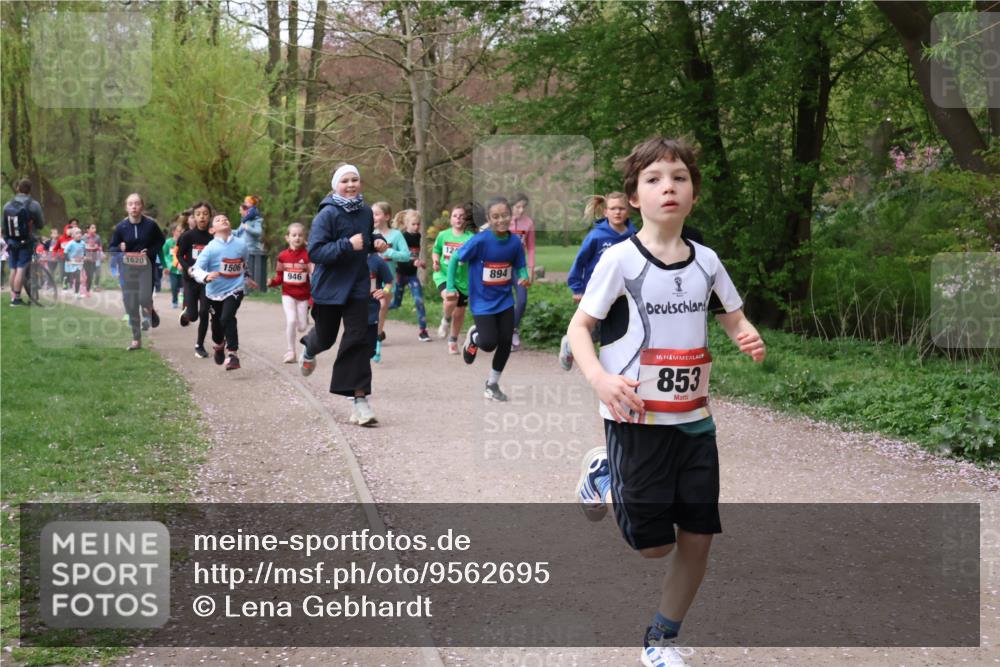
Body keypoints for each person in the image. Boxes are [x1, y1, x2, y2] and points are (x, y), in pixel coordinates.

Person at [567, 137, 766, 667]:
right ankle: (606, 472)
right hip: (634, 418)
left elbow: (732, 316)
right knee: (653, 547)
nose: (668, 187)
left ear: (693, 193)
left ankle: (661, 639)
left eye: (679, 177)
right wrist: (599, 380)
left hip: (695, 422)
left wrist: (747, 335)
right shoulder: (619, 260)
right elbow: (581, 327)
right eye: (654, 179)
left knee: (698, 539)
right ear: (634, 197)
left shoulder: (707, 261)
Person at [298, 164, 387, 426]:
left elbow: (367, 238)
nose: (351, 185)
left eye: (355, 180)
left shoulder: (365, 211)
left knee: (358, 339)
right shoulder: (326, 214)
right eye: (345, 181)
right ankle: (310, 347)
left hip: (358, 285)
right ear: (335, 185)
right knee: (325, 339)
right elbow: (316, 252)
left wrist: (377, 241)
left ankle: (359, 401)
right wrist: (348, 245)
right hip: (329, 288)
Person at [446, 196, 529, 401]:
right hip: (482, 301)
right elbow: (456, 258)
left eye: (504, 215)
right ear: (489, 219)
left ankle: (492, 384)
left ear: (510, 215)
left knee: (505, 341)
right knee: (489, 343)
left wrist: (524, 276)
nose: (501, 220)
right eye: (496, 216)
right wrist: (449, 286)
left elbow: (519, 263)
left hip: (505, 300)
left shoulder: (514, 242)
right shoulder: (480, 240)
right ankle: (475, 337)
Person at [559, 192, 636, 369]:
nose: (617, 212)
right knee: (592, 330)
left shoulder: (635, 236)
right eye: (613, 208)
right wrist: (577, 288)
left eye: (621, 208)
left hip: (624, 293)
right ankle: (570, 343)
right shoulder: (596, 237)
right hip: (596, 292)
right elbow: (579, 263)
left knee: (616, 331)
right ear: (605, 212)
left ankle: (616, 368)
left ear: (628, 211)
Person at [190, 214, 258, 370]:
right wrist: (206, 276)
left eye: (226, 218)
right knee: (217, 324)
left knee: (228, 317)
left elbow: (243, 262)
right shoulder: (210, 248)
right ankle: (219, 345)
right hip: (214, 292)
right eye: (218, 220)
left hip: (235, 288)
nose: (223, 220)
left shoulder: (241, 244)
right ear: (212, 229)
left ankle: (233, 354)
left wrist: (247, 277)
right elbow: (196, 269)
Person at [108, 193, 165, 351]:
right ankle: (136, 339)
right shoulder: (121, 227)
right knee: (130, 303)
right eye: (131, 204)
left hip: (146, 267)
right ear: (126, 207)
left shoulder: (151, 225)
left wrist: (151, 252)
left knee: (144, 297)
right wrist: (119, 248)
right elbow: (111, 247)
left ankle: (149, 307)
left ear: (142, 206)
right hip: (127, 269)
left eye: (137, 204)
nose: (134, 207)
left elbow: (161, 241)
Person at [432, 203, 476, 354]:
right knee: (451, 297)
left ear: (465, 220)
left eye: (461, 216)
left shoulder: (470, 238)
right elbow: (436, 251)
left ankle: (453, 340)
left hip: (463, 278)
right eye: (455, 216)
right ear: (450, 219)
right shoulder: (443, 235)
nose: (458, 219)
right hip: (443, 275)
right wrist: (435, 261)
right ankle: (445, 319)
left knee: (460, 311)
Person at [268, 222, 312, 363]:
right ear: (287, 238)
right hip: (288, 294)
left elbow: (313, 279)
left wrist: (312, 299)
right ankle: (290, 351)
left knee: (302, 327)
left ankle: (304, 317)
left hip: (303, 296)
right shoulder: (282, 256)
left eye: (300, 235)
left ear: (304, 238)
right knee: (291, 320)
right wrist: (272, 282)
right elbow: (280, 277)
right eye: (294, 235)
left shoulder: (308, 256)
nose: (297, 238)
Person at [177, 202, 215, 358]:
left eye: (205, 213)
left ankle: (199, 345)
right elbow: (179, 255)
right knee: (193, 316)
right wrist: (187, 268)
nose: (202, 217)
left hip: (207, 280)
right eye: (198, 214)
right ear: (193, 217)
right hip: (191, 279)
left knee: (204, 311)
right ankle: (187, 313)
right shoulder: (187, 236)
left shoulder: (213, 237)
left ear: (209, 216)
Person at [388, 209, 430, 341]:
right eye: (413, 224)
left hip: (412, 276)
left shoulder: (418, 236)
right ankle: (375, 310)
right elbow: (400, 257)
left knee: (419, 301)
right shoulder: (401, 237)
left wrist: (421, 263)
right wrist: (413, 261)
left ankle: (423, 331)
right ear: (406, 224)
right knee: (395, 303)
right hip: (400, 275)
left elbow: (414, 255)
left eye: (418, 224)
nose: (416, 227)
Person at [2, 178, 45, 306]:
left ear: (17, 188)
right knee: (21, 269)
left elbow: (3, 226)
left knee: (13, 269)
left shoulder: (7, 205)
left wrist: (7, 240)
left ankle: (13, 297)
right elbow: (41, 224)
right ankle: (17, 299)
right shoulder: (33, 205)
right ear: (30, 190)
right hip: (26, 241)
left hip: (11, 241)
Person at [372, 201, 409, 341]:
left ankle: (377, 336)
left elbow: (406, 256)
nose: (373, 217)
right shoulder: (370, 233)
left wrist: (388, 252)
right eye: (372, 214)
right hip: (371, 279)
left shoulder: (396, 235)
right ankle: (374, 333)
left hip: (388, 280)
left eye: (376, 214)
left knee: (381, 307)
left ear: (387, 217)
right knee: (371, 308)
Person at [508, 193, 535, 351]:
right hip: (502, 268)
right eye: (517, 206)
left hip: (520, 269)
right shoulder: (503, 222)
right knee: (507, 302)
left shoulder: (528, 223)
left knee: (522, 300)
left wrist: (530, 269)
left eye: (523, 207)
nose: (520, 210)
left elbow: (531, 247)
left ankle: (513, 329)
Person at [366, 251, 393, 363]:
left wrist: (384, 291)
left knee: (381, 307)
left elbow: (389, 282)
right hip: (355, 303)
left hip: (372, 303)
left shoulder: (377, 261)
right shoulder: (348, 257)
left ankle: (377, 342)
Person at [235, 194, 265, 288]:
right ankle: (243, 288)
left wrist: (248, 228)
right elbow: (237, 232)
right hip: (241, 250)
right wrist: (226, 231)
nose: (240, 212)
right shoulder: (244, 221)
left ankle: (254, 289)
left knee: (250, 271)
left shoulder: (257, 220)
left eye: (241, 210)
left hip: (252, 250)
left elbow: (259, 232)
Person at [162, 222, 185, 309]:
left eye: (182, 231)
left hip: (182, 268)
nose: (181, 233)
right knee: (174, 286)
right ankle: (174, 301)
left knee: (183, 285)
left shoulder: (184, 241)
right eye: (179, 231)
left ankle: (183, 299)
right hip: (172, 268)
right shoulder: (168, 243)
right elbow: (164, 254)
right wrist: (167, 266)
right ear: (173, 232)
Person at [64, 227, 86, 297]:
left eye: (80, 233)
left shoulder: (83, 243)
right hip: (70, 263)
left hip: (79, 263)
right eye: (77, 233)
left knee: (78, 278)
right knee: (70, 277)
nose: (79, 235)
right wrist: (68, 260)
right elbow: (65, 252)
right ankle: (65, 285)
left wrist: (84, 256)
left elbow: (84, 251)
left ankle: (76, 293)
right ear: (72, 235)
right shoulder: (70, 243)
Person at [82, 223, 104, 294]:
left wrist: (102, 254)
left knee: (98, 272)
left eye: (95, 228)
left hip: (96, 258)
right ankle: (85, 287)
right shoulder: (83, 238)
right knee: (88, 275)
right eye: (92, 228)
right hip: (87, 259)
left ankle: (95, 286)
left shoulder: (97, 237)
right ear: (88, 230)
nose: (94, 229)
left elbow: (100, 247)